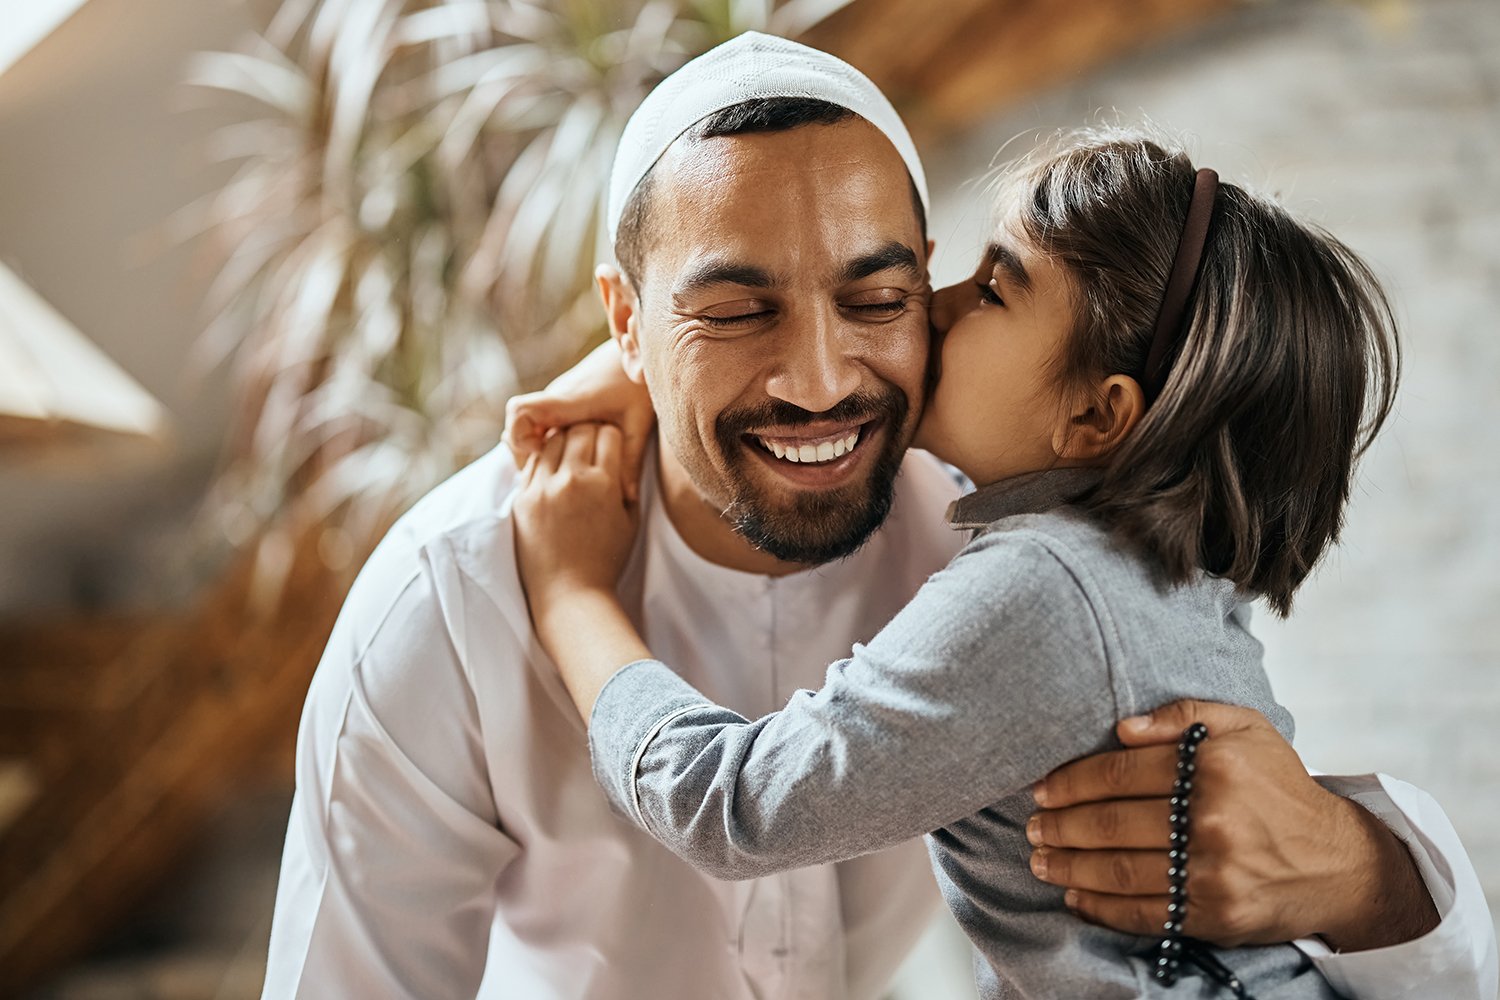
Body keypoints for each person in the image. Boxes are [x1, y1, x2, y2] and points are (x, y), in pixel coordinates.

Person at [260, 32, 1497, 1000]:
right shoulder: (443, 610)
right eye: (735, 310)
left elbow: (735, 803)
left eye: (888, 295)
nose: (817, 379)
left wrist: (1363, 862)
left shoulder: (1005, 533)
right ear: (625, 320)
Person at [507, 121, 1461, 998]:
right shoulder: (1150, 561)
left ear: (1095, 416)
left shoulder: (1046, 592)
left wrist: (572, 593)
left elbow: (737, 807)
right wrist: (649, 359)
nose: (933, 308)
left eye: (996, 288)